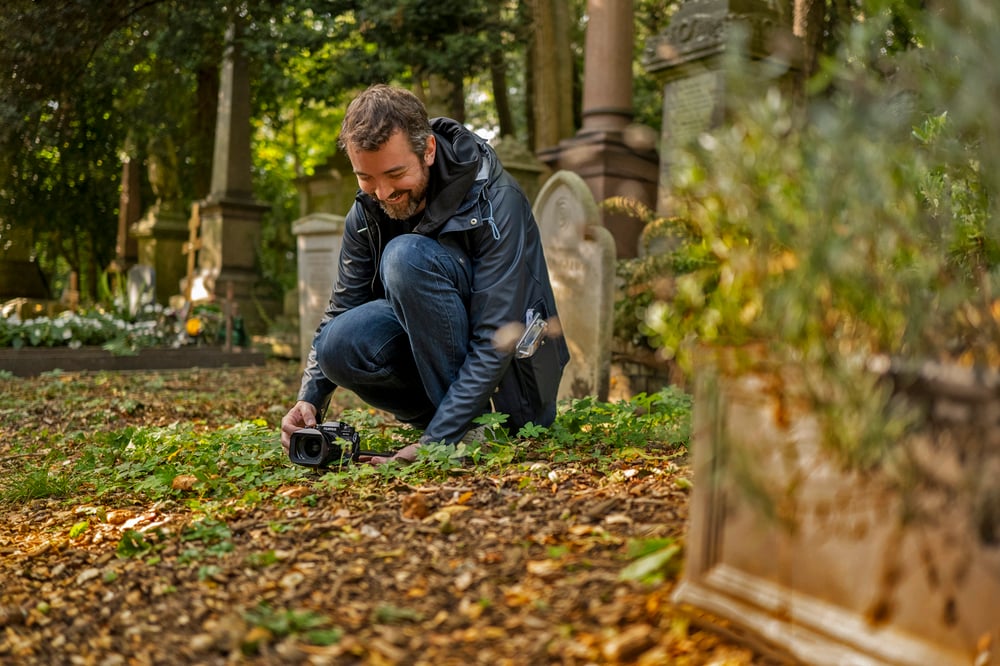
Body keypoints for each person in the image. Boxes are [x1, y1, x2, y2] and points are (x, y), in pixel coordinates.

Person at [281, 84, 568, 464]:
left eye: (395, 173)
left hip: (513, 394)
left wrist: (437, 442)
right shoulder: (367, 212)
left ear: (428, 150)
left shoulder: (497, 199)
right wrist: (309, 400)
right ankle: (451, 427)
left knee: (406, 257)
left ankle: (468, 432)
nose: (382, 193)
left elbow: (495, 337)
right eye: (365, 177)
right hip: (445, 401)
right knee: (337, 343)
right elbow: (342, 307)